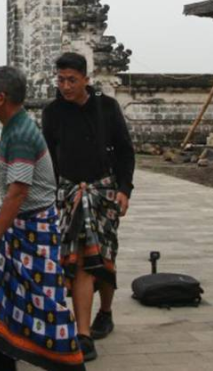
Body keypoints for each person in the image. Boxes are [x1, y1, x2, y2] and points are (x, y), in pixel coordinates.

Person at [0, 66, 84, 371]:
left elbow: (18, 192)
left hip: (32, 229)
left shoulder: (20, 133)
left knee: (47, 310)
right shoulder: (15, 125)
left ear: (1, 97)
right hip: (21, 227)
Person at [42, 52, 135, 361]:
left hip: (103, 191)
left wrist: (124, 190)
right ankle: (82, 334)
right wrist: (52, 194)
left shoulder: (106, 108)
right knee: (81, 259)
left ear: (86, 79)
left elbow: (125, 151)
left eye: (71, 80)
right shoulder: (53, 112)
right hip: (70, 193)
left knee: (105, 255)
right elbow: (49, 159)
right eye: (61, 80)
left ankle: (105, 312)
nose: (66, 86)